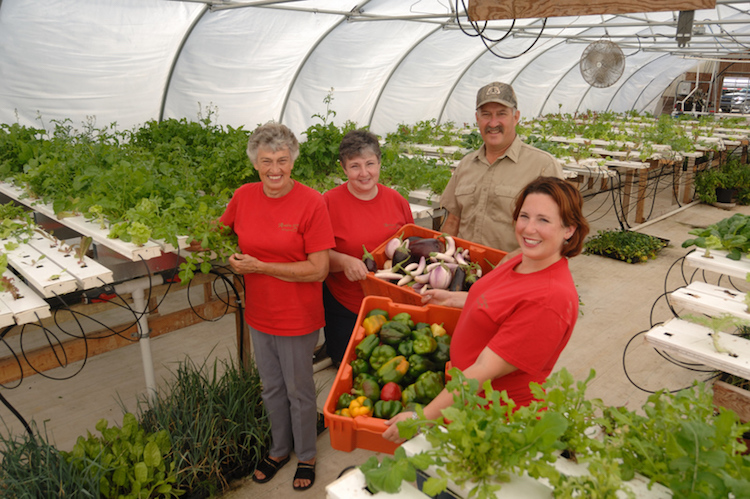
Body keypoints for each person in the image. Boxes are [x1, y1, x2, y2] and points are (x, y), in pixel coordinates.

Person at [383, 176, 590, 443]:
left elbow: (483, 370)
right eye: (524, 216)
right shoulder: (521, 258)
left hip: (494, 419)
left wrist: (422, 416)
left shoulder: (550, 299)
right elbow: (493, 299)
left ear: (569, 229)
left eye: (544, 220)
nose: (529, 228)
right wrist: (451, 298)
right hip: (465, 400)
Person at [218, 122, 335, 491]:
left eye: (282, 160)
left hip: (297, 315)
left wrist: (261, 267)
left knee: (298, 389)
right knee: (270, 387)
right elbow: (218, 234)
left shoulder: (311, 202)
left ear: (293, 161)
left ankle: (307, 455)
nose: (274, 169)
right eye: (266, 160)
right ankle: (279, 449)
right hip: (259, 312)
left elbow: (319, 269)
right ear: (255, 162)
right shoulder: (244, 196)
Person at [323, 129, 414, 366]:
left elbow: (410, 249)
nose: (364, 173)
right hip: (346, 305)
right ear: (343, 168)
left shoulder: (397, 201)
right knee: (348, 367)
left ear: (379, 163)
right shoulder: (327, 203)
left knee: (387, 369)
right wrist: (343, 261)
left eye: (370, 164)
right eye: (355, 166)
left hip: (392, 303)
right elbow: (317, 254)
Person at [440, 81, 565, 252]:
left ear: (515, 117)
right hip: (465, 271)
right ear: (477, 119)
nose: (493, 123)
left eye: (501, 114)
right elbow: (453, 221)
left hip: (514, 273)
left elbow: (557, 232)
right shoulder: (466, 165)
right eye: (486, 115)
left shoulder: (543, 166)